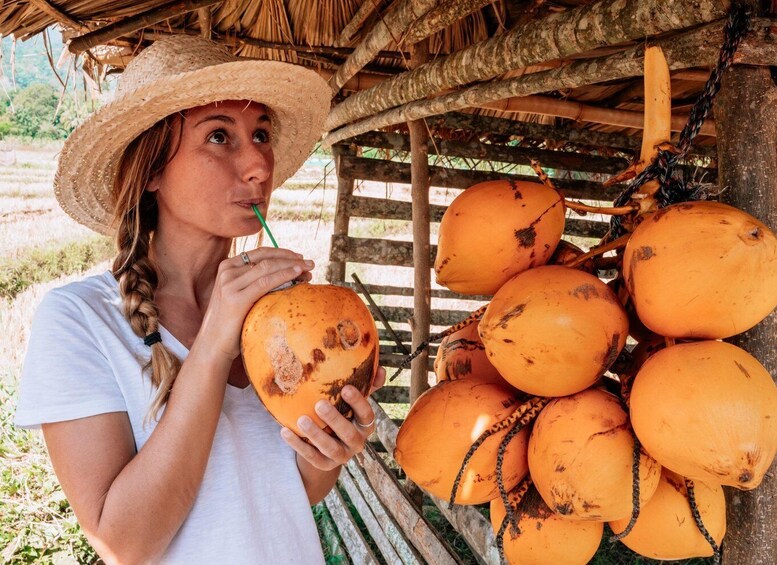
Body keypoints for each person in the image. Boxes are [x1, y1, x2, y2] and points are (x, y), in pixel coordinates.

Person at [14, 35, 385, 564]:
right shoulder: (79, 319)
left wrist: (328, 451)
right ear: (152, 171)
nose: (259, 164)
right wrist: (213, 344)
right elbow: (127, 544)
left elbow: (288, 493)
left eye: (261, 135)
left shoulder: (285, 314)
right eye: (218, 136)